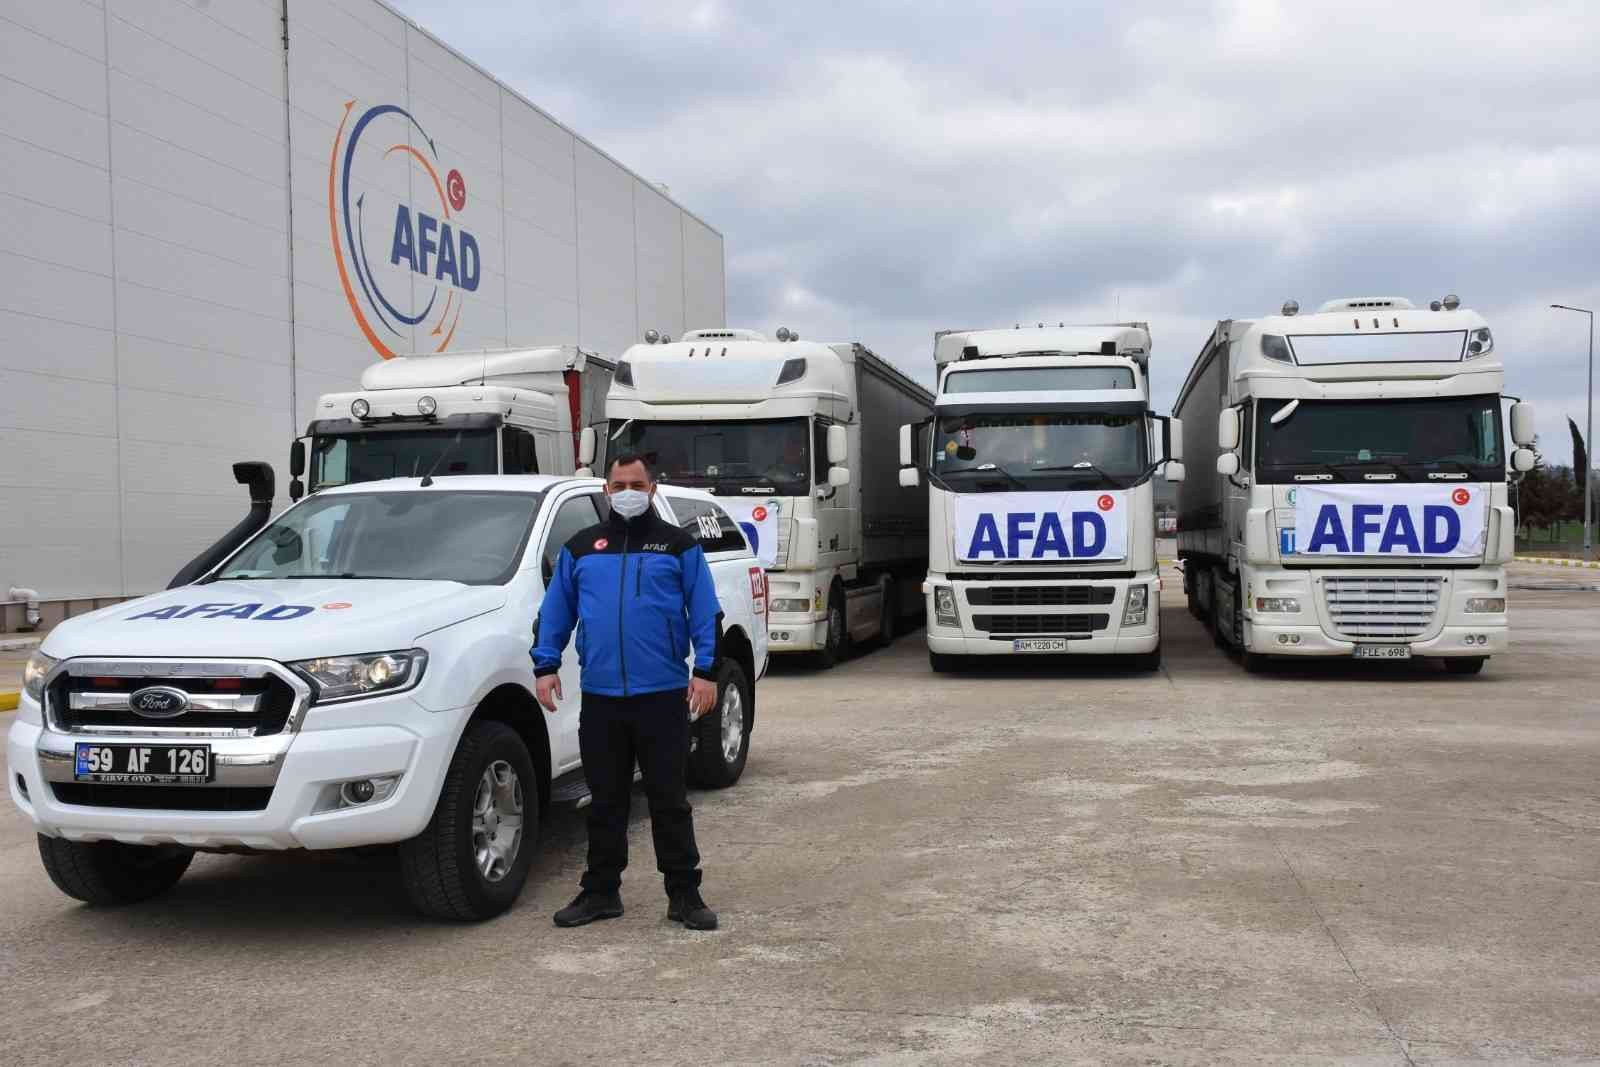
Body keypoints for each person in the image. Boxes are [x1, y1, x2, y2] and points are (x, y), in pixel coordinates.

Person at [531, 453, 723, 931]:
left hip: (662, 695)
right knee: (605, 800)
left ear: (652, 488)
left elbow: (705, 612)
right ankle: (601, 892)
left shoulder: (678, 547)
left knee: (668, 799)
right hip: (601, 699)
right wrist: (546, 665)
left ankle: (684, 894)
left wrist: (707, 671)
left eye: (637, 483)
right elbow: (556, 612)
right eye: (619, 485)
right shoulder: (581, 548)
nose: (628, 492)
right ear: (605, 489)